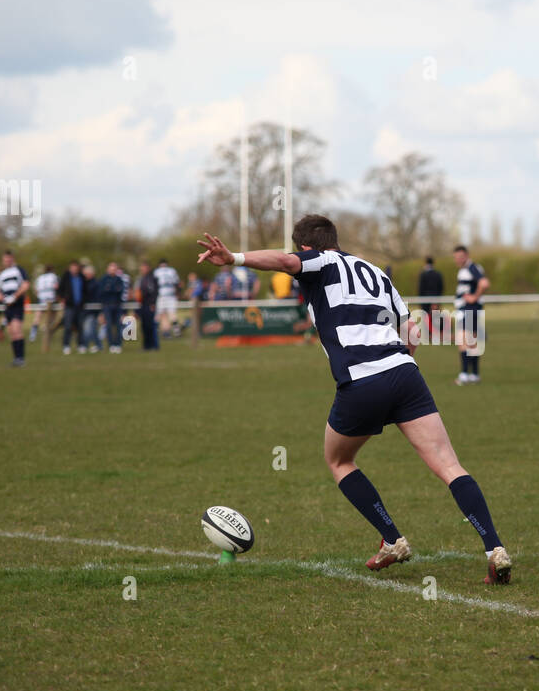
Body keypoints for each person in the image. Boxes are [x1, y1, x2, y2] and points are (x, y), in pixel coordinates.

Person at [196, 215, 514, 584]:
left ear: (306, 248)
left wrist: (233, 257)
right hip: (405, 373)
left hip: (363, 377)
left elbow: (284, 263)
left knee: (338, 459)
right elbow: (412, 329)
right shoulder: (376, 271)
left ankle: (392, 539)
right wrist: (401, 363)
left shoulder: (323, 261)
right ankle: (495, 548)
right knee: (449, 465)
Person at [452, 245, 489, 385]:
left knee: (463, 340)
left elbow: (484, 283)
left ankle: (464, 374)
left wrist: (474, 296)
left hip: (469, 308)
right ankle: (474, 374)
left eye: (460, 257)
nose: (458, 259)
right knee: (472, 341)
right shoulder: (464, 270)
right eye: (456, 257)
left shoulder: (472, 267)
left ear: (467, 255)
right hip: (467, 308)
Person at [0, 251, 30, 367]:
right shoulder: (2, 273)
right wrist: (2, 298)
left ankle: (21, 358)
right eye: (5, 259)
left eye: (9, 259)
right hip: (7, 306)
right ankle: (16, 359)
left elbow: (25, 285)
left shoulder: (19, 270)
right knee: (11, 332)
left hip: (17, 305)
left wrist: (14, 297)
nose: (7, 261)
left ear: (12, 259)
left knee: (17, 329)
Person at [58, 261, 86, 354]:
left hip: (80, 306)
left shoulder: (81, 277)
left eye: (76, 267)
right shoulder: (65, 277)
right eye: (72, 267)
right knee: (68, 326)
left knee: (80, 326)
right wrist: (62, 299)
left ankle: (81, 345)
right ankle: (66, 346)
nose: (74, 269)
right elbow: (60, 290)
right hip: (69, 306)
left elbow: (86, 290)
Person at [100, 262, 127, 353]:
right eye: (111, 268)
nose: (113, 271)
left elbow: (119, 291)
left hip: (117, 305)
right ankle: (111, 345)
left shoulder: (119, 279)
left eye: (114, 269)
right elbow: (103, 292)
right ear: (108, 269)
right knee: (108, 326)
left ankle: (118, 344)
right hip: (107, 305)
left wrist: (111, 290)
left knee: (119, 326)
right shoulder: (104, 279)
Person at [154, 258, 181, 338]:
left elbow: (154, 284)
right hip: (171, 294)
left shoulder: (157, 271)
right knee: (172, 314)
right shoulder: (172, 270)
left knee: (161, 315)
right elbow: (177, 283)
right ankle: (176, 331)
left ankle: (162, 332)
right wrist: (178, 293)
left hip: (161, 295)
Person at [33, 264, 59, 342]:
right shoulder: (54, 276)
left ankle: (33, 334)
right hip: (51, 299)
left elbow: (36, 289)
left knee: (37, 317)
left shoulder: (40, 278)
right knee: (52, 316)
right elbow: (56, 287)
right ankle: (47, 331)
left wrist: (40, 296)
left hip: (41, 298)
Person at [137, 261, 159, 351]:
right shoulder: (143, 278)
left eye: (143, 267)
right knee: (144, 326)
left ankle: (154, 346)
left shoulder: (152, 278)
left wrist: (153, 303)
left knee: (150, 326)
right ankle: (146, 346)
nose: (142, 269)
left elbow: (153, 292)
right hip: (143, 304)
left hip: (149, 305)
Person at [81, 265, 101, 352]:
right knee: (91, 329)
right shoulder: (84, 283)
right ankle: (98, 345)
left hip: (92, 310)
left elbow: (97, 298)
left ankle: (84, 346)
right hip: (85, 310)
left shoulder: (95, 284)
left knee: (88, 328)